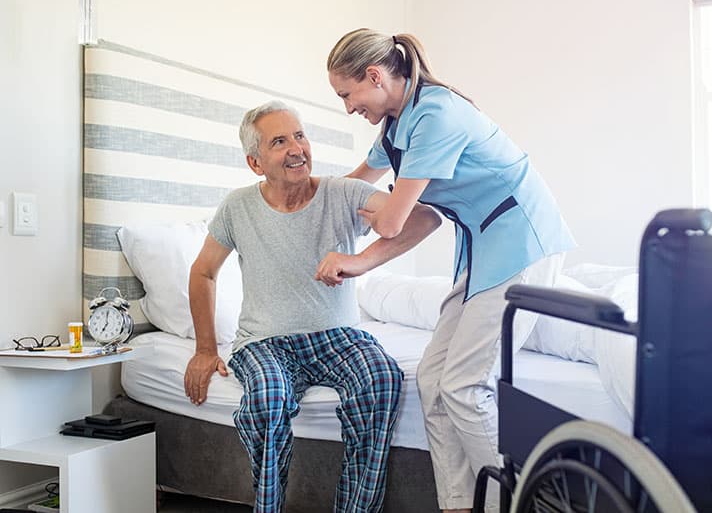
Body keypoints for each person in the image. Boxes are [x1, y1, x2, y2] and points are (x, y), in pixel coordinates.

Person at [327, 29, 576, 513]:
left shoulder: (436, 115)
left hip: (523, 244)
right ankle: (460, 505)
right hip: (484, 252)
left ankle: (528, 503)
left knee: (464, 385)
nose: (347, 107)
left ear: (374, 76)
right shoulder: (396, 127)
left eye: (347, 94)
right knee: (432, 380)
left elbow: (398, 219)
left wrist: (354, 259)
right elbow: (356, 185)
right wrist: (305, 199)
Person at [183, 100, 441, 513]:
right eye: (280, 141)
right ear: (255, 162)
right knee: (268, 398)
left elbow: (424, 219)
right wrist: (205, 349)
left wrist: (360, 262)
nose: (297, 148)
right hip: (265, 343)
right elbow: (203, 273)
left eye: (300, 136)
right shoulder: (237, 206)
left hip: (338, 337)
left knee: (381, 378)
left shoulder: (344, 193)